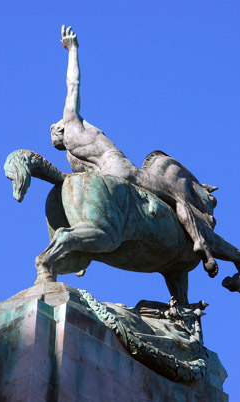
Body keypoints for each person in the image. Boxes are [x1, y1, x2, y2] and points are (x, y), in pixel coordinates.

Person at [51, 26, 219, 277]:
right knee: (178, 197)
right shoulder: (73, 123)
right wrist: (73, 50)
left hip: (106, 177)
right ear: (62, 129)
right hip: (123, 170)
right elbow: (72, 84)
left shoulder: (72, 154)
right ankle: (201, 245)